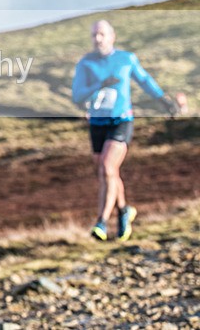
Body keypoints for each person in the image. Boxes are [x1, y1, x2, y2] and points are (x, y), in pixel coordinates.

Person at [72, 19, 179, 242]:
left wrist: (164, 101)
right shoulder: (86, 64)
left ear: (112, 36)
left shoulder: (126, 59)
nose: (97, 39)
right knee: (107, 173)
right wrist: (100, 85)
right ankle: (124, 212)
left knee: (107, 166)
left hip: (121, 120)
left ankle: (101, 222)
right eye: (94, 35)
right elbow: (77, 96)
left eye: (101, 34)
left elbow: (145, 80)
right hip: (97, 124)